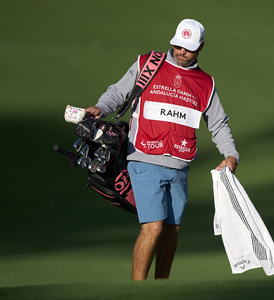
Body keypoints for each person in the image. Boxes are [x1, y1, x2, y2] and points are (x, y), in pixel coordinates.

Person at [85, 19, 239, 280]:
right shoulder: (148, 64)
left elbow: (218, 123)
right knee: (154, 227)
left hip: (180, 163)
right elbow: (118, 92)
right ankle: (137, 291)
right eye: (179, 45)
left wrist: (231, 155)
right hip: (143, 157)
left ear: (200, 47)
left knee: (171, 230)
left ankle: (161, 286)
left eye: (188, 48)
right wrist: (101, 107)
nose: (182, 51)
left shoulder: (205, 83)